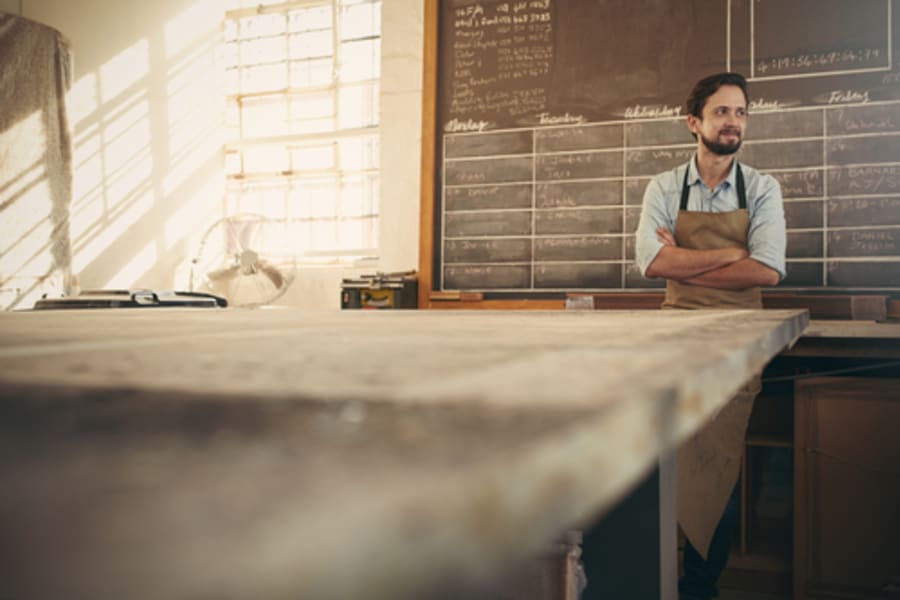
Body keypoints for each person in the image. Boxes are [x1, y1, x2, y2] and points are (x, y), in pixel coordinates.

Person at [634, 72, 787, 600]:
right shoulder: (662, 187)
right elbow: (652, 264)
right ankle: (648, 573)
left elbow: (767, 272)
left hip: (741, 339)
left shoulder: (764, 188)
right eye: (722, 112)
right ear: (694, 122)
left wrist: (686, 261)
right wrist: (730, 253)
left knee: (717, 460)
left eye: (741, 112)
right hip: (675, 334)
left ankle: (700, 585)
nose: (733, 122)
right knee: (662, 455)